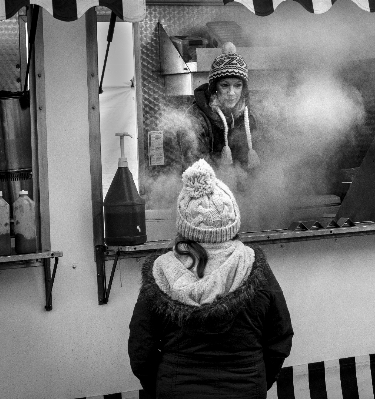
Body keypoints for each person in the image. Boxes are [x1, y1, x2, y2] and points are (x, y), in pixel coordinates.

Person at [128, 158, 293, 398]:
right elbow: (280, 336)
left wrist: (164, 385)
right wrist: (257, 381)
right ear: (232, 221)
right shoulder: (252, 265)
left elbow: (141, 349)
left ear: (184, 225)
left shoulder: (161, 270)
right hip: (245, 389)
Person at [163, 42, 261, 174]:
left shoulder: (248, 116)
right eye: (225, 85)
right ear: (214, 88)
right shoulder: (195, 119)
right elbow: (196, 170)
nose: (231, 93)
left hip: (242, 189)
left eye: (237, 85)